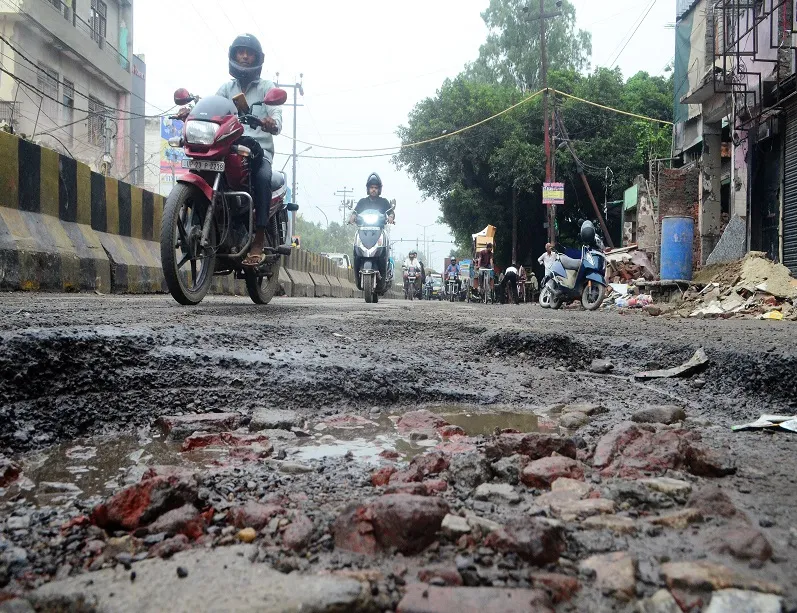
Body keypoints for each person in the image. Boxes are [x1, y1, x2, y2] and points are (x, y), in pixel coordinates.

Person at [183, 34, 283, 268]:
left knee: (262, 177)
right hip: (228, 147)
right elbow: (212, 109)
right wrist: (190, 113)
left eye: (249, 53)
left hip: (257, 150)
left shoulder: (267, 88)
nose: (244, 56)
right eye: (240, 52)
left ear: (258, 58)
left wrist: (270, 122)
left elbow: (277, 118)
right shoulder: (226, 88)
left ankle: (258, 240)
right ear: (233, 56)